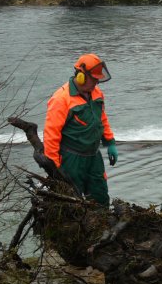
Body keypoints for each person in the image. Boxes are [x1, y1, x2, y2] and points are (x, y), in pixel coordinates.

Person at [43, 53, 118, 206]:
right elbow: (51, 136)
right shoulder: (61, 99)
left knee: (100, 198)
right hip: (71, 159)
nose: (96, 83)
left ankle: (103, 228)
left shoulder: (97, 94)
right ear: (81, 76)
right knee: (72, 201)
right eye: (94, 79)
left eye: (98, 79)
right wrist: (54, 168)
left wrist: (110, 142)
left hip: (93, 156)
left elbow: (101, 119)